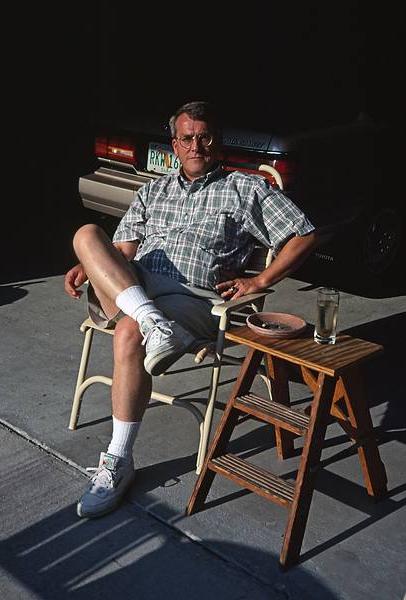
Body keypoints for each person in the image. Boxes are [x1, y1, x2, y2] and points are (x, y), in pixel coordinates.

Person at [65, 100, 318, 519]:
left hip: (194, 299)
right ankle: (154, 323)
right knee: (88, 233)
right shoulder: (153, 190)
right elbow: (123, 251)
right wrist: (90, 263)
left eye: (204, 137)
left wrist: (261, 281)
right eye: (187, 138)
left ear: (217, 143)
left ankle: (118, 461)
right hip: (137, 287)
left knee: (129, 332)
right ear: (175, 144)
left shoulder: (246, 188)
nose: (196, 145)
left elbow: (304, 234)